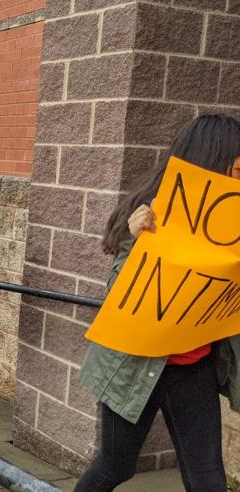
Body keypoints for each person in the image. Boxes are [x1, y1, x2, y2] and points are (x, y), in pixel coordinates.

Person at [75, 114, 240, 492]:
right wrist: (133, 242)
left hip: (194, 366)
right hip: (133, 363)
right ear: (210, 162)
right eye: (236, 170)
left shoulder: (232, 221)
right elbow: (119, 297)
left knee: (208, 480)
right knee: (115, 467)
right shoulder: (149, 212)